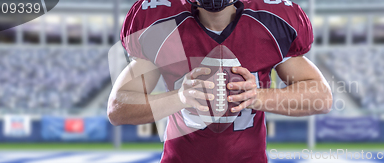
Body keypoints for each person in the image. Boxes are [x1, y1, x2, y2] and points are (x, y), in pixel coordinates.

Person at [107, 0, 332, 162]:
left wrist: (258, 96)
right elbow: (117, 108)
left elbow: (321, 97)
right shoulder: (162, 25)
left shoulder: (270, 23)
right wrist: (180, 97)